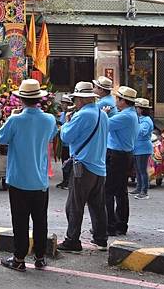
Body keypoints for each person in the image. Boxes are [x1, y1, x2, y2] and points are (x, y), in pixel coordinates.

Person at [0, 79, 57, 272]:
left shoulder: (15, 120)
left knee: (20, 221)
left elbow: (1, 138)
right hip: (40, 180)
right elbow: (51, 136)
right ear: (39, 99)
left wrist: (11, 118)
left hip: (18, 179)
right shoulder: (49, 119)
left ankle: (19, 258)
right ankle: (40, 257)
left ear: (21, 99)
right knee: (40, 220)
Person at [57, 82, 109, 253]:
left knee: (74, 205)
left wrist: (66, 122)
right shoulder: (102, 115)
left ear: (81, 99)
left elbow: (66, 136)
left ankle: (72, 240)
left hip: (84, 165)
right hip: (99, 166)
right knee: (97, 205)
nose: (75, 102)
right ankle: (101, 239)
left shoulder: (83, 115)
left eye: (76, 99)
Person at [105, 86, 139, 236]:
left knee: (109, 191)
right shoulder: (129, 114)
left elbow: (104, 125)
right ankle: (120, 224)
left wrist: (104, 114)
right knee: (120, 191)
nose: (115, 101)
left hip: (117, 156)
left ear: (124, 101)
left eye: (118, 99)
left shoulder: (125, 116)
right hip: (123, 155)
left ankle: (110, 225)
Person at [131, 98, 154, 200]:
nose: (135, 110)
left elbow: (142, 132)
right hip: (137, 147)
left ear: (141, 109)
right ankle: (139, 187)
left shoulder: (146, 120)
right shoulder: (139, 119)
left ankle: (144, 191)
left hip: (143, 148)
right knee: (137, 169)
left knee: (142, 170)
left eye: (137, 108)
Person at [56, 94, 74, 190]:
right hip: (62, 141)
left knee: (68, 162)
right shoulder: (63, 114)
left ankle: (68, 181)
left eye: (65, 103)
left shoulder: (72, 114)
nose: (63, 105)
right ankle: (65, 179)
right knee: (63, 161)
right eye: (62, 103)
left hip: (69, 143)